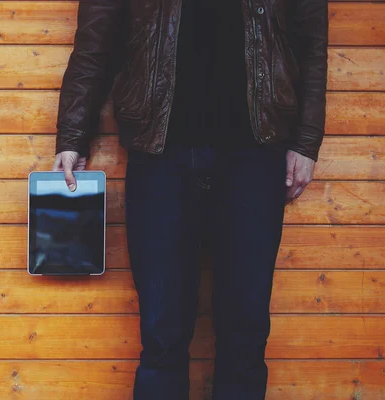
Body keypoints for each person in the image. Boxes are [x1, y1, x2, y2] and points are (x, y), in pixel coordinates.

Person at [52, 0, 328, 398]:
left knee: (245, 334)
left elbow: (311, 40)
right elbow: (96, 40)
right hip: (159, 158)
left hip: (256, 156)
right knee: (162, 335)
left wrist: (306, 140)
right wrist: (73, 135)